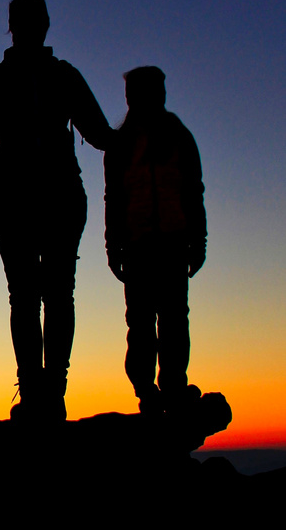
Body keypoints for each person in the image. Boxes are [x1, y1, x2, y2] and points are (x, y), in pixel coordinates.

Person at [0, 0, 113, 422]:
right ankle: (48, 392)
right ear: (43, 24)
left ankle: (38, 393)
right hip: (53, 199)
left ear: (11, 26)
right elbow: (103, 135)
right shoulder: (61, 76)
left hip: (23, 202)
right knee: (52, 296)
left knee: (29, 299)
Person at [104, 66, 206, 414]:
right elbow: (114, 198)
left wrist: (198, 239)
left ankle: (172, 385)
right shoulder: (123, 144)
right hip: (140, 244)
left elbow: (193, 191)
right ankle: (148, 391)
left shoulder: (177, 135)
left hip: (171, 241)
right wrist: (113, 244)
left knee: (171, 318)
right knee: (145, 321)